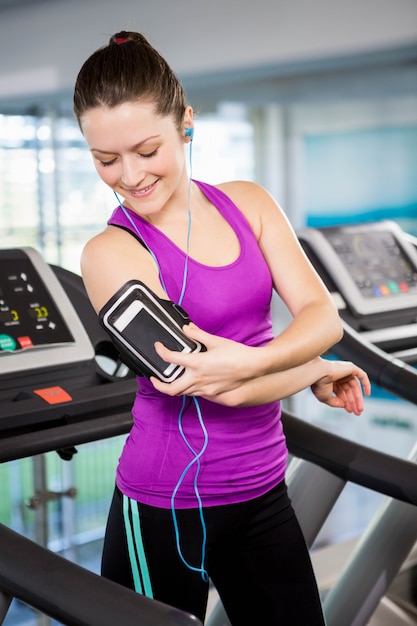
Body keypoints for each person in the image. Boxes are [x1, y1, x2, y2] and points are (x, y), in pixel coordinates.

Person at [73, 31, 371, 625]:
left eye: (145, 149)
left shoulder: (249, 204)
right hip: (163, 505)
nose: (129, 176)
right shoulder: (112, 252)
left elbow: (322, 317)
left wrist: (284, 359)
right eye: (106, 160)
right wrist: (306, 366)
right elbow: (217, 383)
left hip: (262, 487)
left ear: (185, 122)